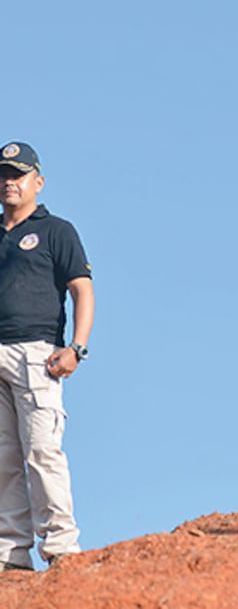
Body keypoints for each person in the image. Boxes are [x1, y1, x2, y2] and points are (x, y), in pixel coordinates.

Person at [0, 142, 93, 570]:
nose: (9, 182)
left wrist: (77, 347)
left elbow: (82, 290)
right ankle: (10, 556)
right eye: (4, 174)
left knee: (41, 451)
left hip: (37, 355)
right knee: (3, 460)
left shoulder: (57, 230)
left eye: (18, 174)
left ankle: (61, 547)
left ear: (37, 181)